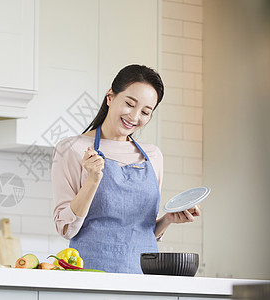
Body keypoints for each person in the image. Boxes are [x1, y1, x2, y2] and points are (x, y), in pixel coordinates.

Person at [51, 64, 201, 273]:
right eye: (130, 104)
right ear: (110, 97)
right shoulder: (72, 148)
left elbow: (142, 232)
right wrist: (92, 180)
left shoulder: (153, 156)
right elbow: (66, 229)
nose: (134, 117)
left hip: (143, 280)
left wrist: (168, 219)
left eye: (145, 112)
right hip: (90, 280)